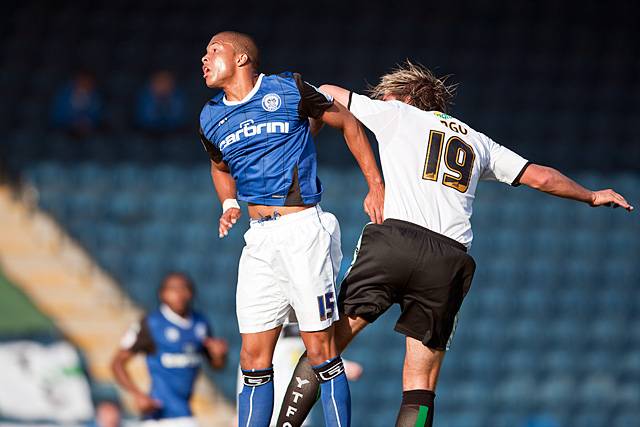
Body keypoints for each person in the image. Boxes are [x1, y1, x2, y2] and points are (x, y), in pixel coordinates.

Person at [276, 60, 634, 427]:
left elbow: (331, 92)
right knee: (420, 384)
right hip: (446, 261)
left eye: (386, 97)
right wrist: (591, 196)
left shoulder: (398, 114)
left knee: (324, 349)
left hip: (394, 241)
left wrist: (327, 141)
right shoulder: (478, 141)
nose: (381, 102)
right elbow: (540, 177)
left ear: (408, 97)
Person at [198, 31, 384, 427]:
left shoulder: (288, 89)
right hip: (258, 238)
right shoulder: (211, 116)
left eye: (214, 50)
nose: (205, 58)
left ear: (242, 58)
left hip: (301, 230)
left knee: (320, 349)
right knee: (252, 357)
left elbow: (347, 121)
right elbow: (219, 167)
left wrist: (376, 185)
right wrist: (229, 203)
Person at [111, 272, 227, 427]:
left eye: (184, 288)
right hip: (158, 414)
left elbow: (217, 365)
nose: (179, 294)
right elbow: (117, 363)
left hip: (185, 412)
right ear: (162, 294)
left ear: (191, 292)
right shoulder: (151, 324)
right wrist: (137, 395)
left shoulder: (200, 323)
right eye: (173, 289)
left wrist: (219, 355)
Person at [235, 314, 364, 426]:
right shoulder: (272, 322)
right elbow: (252, 368)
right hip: (268, 412)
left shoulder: (308, 322)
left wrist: (342, 366)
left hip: (298, 411)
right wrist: (240, 412)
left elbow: (316, 353)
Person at [50, 70, 102, 137]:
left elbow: (98, 116)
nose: (85, 84)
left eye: (88, 81)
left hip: (89, 133)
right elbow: (55, 116)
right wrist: (72, 122)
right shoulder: (63, 95)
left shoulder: (95, 97)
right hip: (64, 131)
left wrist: (87, 122)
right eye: (82, 80)